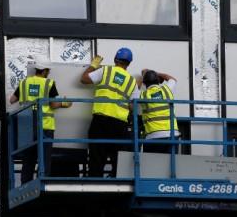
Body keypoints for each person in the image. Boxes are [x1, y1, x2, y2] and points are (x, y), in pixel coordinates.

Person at [9, 63, 72, 184]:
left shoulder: (24, 82)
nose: (48, 73)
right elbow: (53, 104)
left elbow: (12, 100)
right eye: (48, 71)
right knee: (44, 159)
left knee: (28, 159)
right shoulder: (49, 83)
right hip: (45, 126)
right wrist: (64, 103)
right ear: (44, 71)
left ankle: (25, 184)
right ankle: (41, 183)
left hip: (26, 127)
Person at [81, 48, 139, 177]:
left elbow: (84, 79)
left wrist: (93, 66)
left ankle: (94, 187)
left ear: (115, 59)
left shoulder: (105, 71)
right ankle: (116, 185)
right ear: (129, 63)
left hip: (100, 121)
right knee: (117, 159)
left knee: (96, 157)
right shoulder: (132, 82)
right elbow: (133, 107)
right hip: (119, 125)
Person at [139, 69, 179, 154]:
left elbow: (133, 89)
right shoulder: (167, 90)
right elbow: (172, 79)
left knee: (153, 165)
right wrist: (158, 74)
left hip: (153, 136)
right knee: (171, 165)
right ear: (159, 81)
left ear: (144, 83)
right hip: (172, 135)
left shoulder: (142, 95)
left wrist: (144, 76)